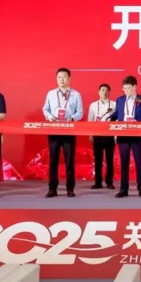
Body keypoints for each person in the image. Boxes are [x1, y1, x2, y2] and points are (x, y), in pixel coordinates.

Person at [42, 68, 83, 198]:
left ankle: (70, 189)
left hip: (69, 130)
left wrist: (73, 118)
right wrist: (49, 117)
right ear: (56, 79)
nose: (61, 80)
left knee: (69, 161)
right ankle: (52, 189)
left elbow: (80, 112)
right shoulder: (51, 94)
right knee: (53, 161)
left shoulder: (76, 94)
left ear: (69, 79)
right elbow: (45, 109)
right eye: (59, 77)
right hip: (54, 130)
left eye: (64, 77)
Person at [111, 75, 141, 198]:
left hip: (137, 136)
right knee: (124, 163)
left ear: (135, 87)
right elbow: (117, 114)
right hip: (123, 135)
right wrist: (108, 118)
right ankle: (123, 189)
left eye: (129, 88)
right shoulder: (120, 100)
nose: (126, 91)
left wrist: (137, 123)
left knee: (139, 163)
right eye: (124, 89)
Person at [87, 84, 116, 189]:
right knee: (98, 160)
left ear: (109, 92)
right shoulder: (93, 105)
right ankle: (98, 182)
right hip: (97, 135)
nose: (104, 92)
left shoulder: (114, 105)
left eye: (107, 90)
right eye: (102, 90)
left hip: (110, 135)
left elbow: (117, 121)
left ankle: (109, 182)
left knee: (109, 160)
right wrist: (90, 134)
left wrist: (116, 135)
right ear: (99, 92)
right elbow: (90, 120)